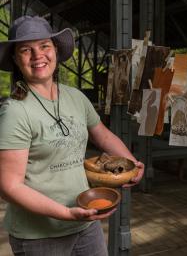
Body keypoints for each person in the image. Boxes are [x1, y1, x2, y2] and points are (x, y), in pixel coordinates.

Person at [0, 15, 144, 256]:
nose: (38, 56)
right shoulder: (15, 111)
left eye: (44, 46)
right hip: (40, 234)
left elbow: (103, 136)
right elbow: (8, 187)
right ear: (16, 59)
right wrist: (65, 213)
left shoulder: (75, 97)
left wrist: (132, 163)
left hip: (85, 223)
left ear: (55, 50)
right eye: (26, 50)